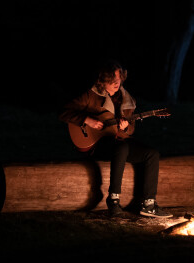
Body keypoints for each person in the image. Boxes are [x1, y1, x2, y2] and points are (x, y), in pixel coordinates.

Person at [58, 60, 172, 218]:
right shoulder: (90, 96)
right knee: (122, 148)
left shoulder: (127, 100)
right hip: (98, 144)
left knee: (152, 153)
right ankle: (113, 200)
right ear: (103, 80)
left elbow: (130, 130)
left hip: (118, 142)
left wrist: (125, 127)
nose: (117, 83)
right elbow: (64, 112)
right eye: (112, 80)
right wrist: (87, 120)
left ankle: (149, 204)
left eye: (119, 79)